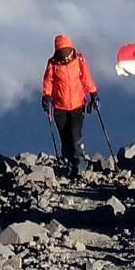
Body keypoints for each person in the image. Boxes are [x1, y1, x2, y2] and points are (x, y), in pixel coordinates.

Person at [41, 34, 99, 177]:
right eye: (63, 54)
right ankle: (70, 164)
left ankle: (80, 163)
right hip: (59, 107)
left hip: (77, 105)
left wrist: (93, 93)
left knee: (74, 135)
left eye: (67, 53)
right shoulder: (53, 64)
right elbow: (48, 81)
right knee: (65, 137)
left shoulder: (79, 60)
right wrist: (46, 96)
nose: (66, 57)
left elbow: (86, 78)